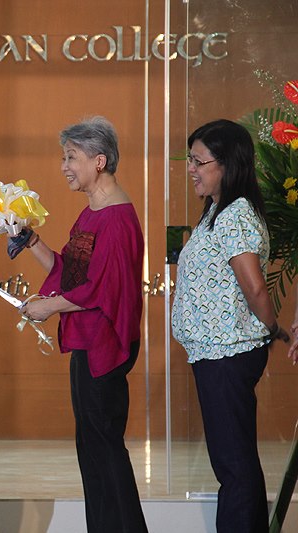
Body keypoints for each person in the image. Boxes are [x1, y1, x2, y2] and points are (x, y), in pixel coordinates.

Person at [13, 116, 148, 532]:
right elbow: (70, 272)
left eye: (71, 157)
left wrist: (50, 307)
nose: (64, 166)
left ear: (100, 160)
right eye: (64, 157)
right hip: (88, 345)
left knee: (104, 448)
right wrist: (31, 240)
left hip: (103, 348)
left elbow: (102, 291)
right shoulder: (92, 213)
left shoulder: (116, 218)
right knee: (92, 449)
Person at [172, 119, 289, 533]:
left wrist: (272, 327)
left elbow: (256, 287)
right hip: (214, 353)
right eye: (191, 160)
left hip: (228, 353)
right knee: (232, 461)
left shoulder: (235, 214)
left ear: (228, 164)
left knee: (234, 465)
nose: (191, 169)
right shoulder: (216, 212)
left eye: (199, 161)